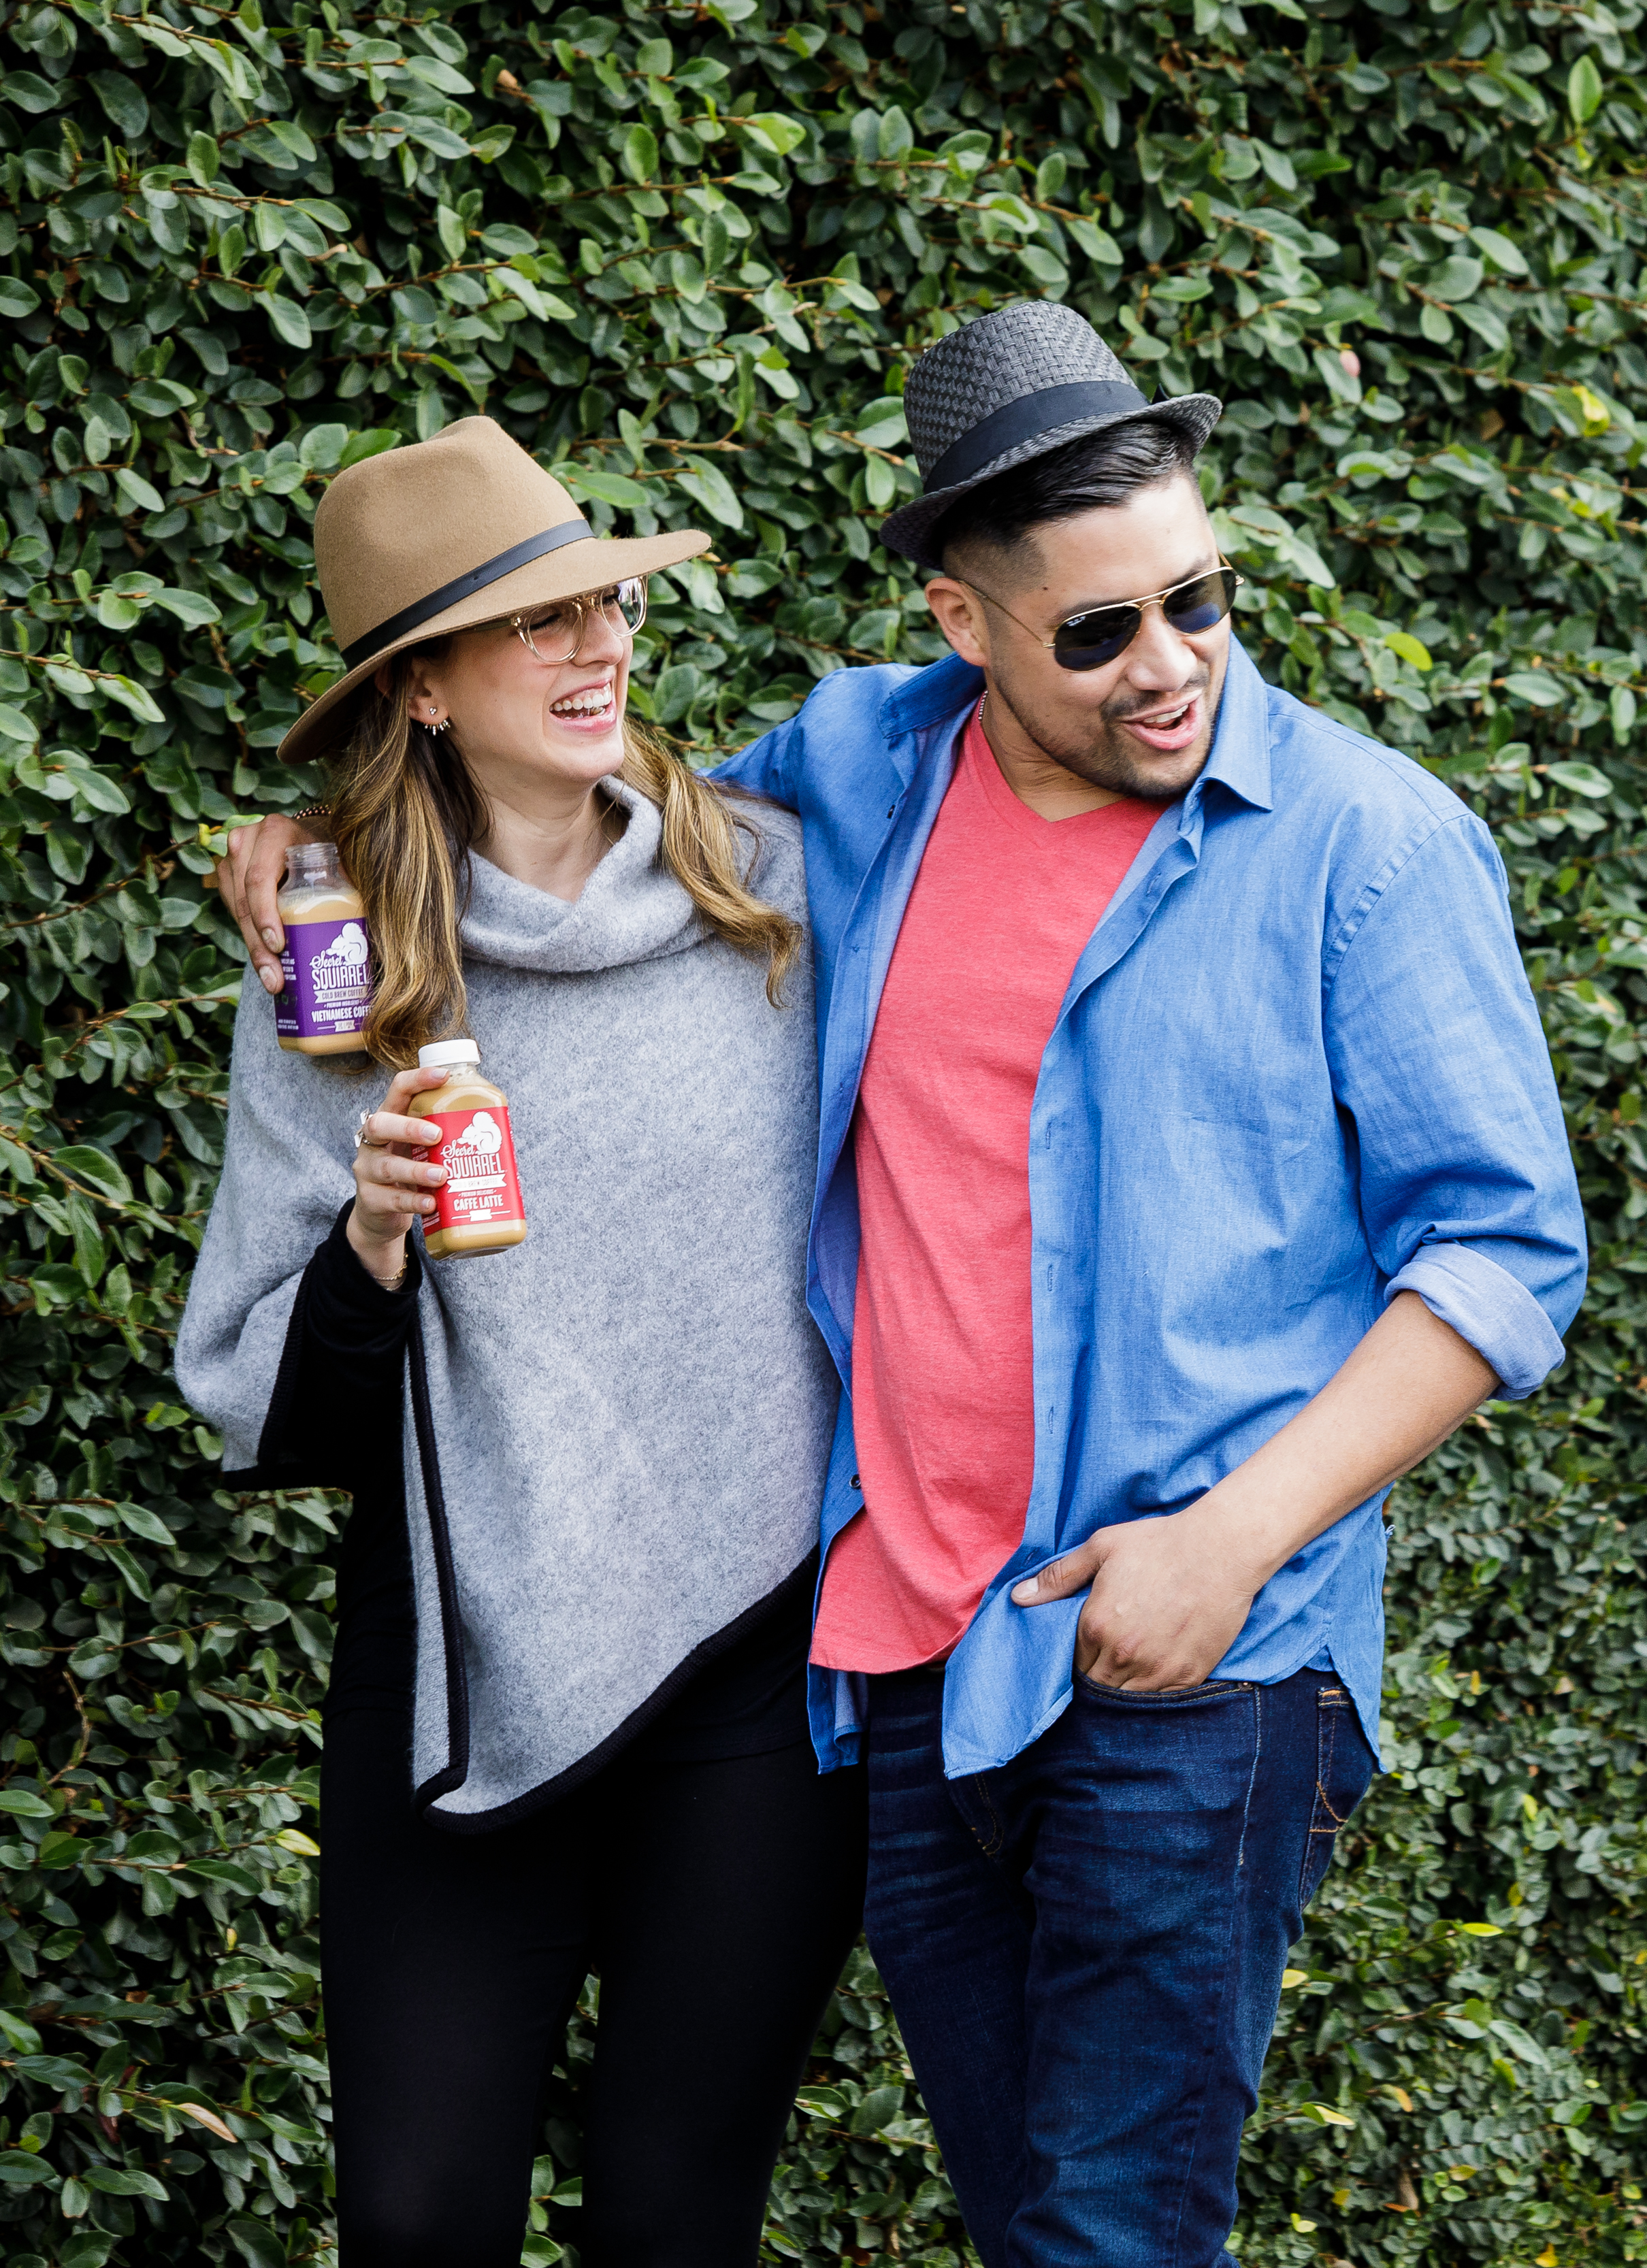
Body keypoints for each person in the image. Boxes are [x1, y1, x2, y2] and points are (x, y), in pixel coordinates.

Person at [214, 300, 1589, 2266]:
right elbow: (577, 851)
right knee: (1020, 2219)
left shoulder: (1367, 844)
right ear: (962, 622)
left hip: (1199, 1655)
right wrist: (313, 850)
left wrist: (1234, 1537)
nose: (1173, 665)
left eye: (1199, 599)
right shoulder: (847, 778)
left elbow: (1508, 1247)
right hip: (915, 1661)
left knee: (1108, 2233)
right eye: (1098, 631)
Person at [178, 419, 860, 2265]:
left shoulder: (782, 884)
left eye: (610, 603)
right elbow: (271, 1407)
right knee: (417, 2211)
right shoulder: (334, 955)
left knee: (674, 2208)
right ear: (416, 687)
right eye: (539, 622)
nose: (600, 648)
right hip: (458, 1644)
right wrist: (372, 1238)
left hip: (760, 1647)